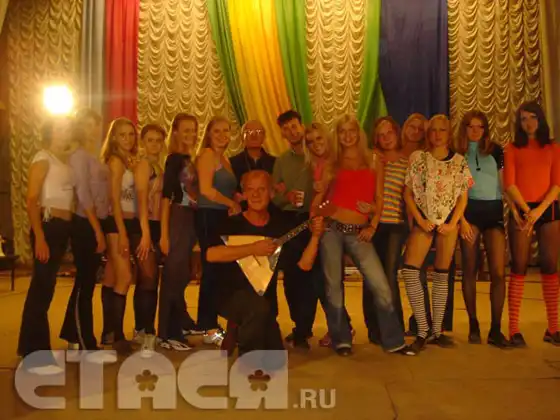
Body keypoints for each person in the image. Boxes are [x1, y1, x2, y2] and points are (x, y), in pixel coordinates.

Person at [312, 114, 414, 357]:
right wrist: (317, 215)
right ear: (337, 135)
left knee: (381, 284)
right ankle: (341, 339)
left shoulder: (373, 159)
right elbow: (318, 201)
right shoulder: (332, 162)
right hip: (332, 229)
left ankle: (394, 341)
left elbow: (379, 199)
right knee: (334, 286)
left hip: (359, 231)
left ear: (359, 133)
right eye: (342, 131)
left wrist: (373, 224)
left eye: (352, 130)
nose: (347, 136)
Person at [206, 170, 323, 361]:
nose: (255, 194)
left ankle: (237, 327)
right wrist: (252, 248)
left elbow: (304, 265)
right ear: (243, 194)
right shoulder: (231, 223)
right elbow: (211, 254)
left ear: (272, 193)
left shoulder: (281, 225)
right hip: (229, 296)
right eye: (250, 190)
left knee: (276, 360)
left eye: (261, 189)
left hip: (265, 303)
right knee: (256, 309)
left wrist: (316, 236)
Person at [402, 114, 472, 352]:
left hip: (448, 221)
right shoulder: (418, 158)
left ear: (449, 134)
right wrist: (420, 220)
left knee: (442, 273)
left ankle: (437, 330)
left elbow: (462, 197)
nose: (438, 134)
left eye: (442, 130)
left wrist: (453, 223)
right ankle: (422, 328)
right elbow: (408, 194)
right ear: (428, 133)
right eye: (433, 130)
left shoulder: (459, 161)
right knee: (410, 270)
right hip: (424, 220)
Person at [18, 115, 76, 374]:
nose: (65, 132)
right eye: (61, 128)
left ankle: (34, 348)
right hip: (48, 226)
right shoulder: (43, 158)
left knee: (46, 287)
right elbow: (32, 199)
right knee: (41, 288)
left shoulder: (64, 161)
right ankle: (34, 353)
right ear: (50, 131)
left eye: (68, 129)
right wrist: (39, 236)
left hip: (61, 228)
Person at [503, 101, 560, 347]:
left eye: (533, 117)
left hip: (548, 208)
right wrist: (527, 211)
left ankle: (553, 328)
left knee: (550, 265)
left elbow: (556, 184)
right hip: (522, 208)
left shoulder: (553, 148)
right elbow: (509, 183)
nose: (529, 123)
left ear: (541, 119)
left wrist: (540, 211)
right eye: (524, 118)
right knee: (519, 265)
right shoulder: (511, 148)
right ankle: (514, 329)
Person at [99, 117, 156, 355]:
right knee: (124, 277)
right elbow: (114, 199)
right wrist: (122, 233)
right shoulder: (115, 161)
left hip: (130, 221)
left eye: (131, 134)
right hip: (117, 222)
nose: (128, 139)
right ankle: (117, 335)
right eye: (122, 135)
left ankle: (108, 333)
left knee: (112, 277)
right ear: (113, 137)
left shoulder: (130, 161)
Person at [456, 111, 510, 348]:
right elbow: (454, 190)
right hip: (469, 213)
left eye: (480, 126)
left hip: (493, 212)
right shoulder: (457, 154)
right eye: (471, 126)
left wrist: (516, 209)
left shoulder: (496, 151)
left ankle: (496, 329)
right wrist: (461, 220)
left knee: (498, 272)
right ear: (464, 128)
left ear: (485, 129)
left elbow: (504, 184)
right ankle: (473, 323)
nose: (475, 131)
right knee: (469, 269)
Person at [59, 109, 109, 355]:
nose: (93, 130)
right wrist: (97, 229)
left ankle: (72, 334)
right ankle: (85, 339)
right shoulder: (79, 156)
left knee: (87, 281)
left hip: (96, 221)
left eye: (96, 124)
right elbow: (83, 194)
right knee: (85, 283)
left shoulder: (93, 156)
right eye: (88, 125)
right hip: (85, 222)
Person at [272, 110, 317, 349]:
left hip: (316, 221)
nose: (292, 131)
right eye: (286, 129)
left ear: (302, 126)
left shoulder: (317, 155)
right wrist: (286, 196)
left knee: (312, 278)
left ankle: (307, 328)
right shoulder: (281, 161)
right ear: (282, 134)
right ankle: (300, 327)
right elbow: (275, 195)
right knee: (291, 278)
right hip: (289, 221)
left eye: (294, 126)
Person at [362, 117, 408, 344]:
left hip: (394, 224)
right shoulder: (372, 160)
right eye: (381, 135)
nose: (386, 138)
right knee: (370, 276)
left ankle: (394, 326)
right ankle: (373, 328)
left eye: (389, 133)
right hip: (371, 224)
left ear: (396, 133)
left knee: (389, 276)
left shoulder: (406, 162)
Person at [195, 116, 240, 346]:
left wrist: (238, 199)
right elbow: (206, 190)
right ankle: (207, 326)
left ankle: (214, 321)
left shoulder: (225, 159)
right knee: (211, 271)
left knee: (220, 272)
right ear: (209, 135)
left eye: (226, 131)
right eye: (217, 131)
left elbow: (227, 190)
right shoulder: (207, 155)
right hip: (208, 216)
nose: (222, 135)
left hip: (222, 217)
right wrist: (230, 203)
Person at [158, 113, 200, 350]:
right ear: (175, 132)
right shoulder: (174, 159)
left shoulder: (189, 159)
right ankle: (167, 333)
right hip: (177, 218)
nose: (190, 134)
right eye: (186, 130)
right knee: (173, 276)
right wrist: (164, 234)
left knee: (182, 275)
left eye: (193, 130)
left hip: (190, 219)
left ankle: (179, 324)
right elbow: (167, 197)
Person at [130, 123, 166, 356]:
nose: (154, 144)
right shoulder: (144, 165)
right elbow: (141, 200)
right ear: (143, 142)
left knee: (147, 280)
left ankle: (140, 329)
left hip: (155, 225)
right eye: (150, 140)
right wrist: (145, 234)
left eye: (158, 140)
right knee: (149, 279)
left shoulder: (158, 166)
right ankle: (147, 332)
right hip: (143, 226)